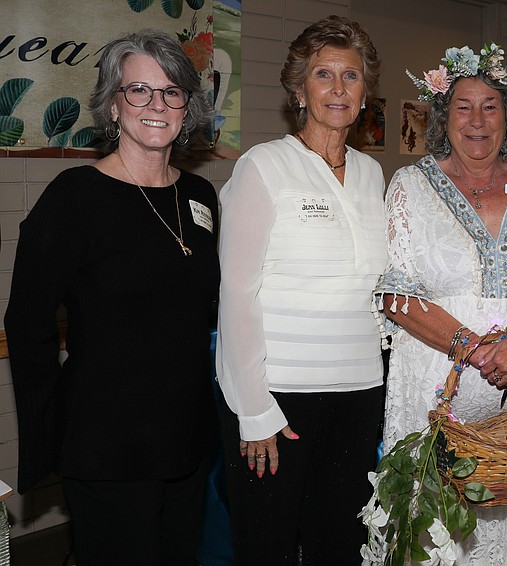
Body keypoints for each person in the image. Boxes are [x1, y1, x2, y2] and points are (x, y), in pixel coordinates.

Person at [4, 30, 218, 565]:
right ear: (113, 105)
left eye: (172, 92)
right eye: (139, 90)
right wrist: (48, 428)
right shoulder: (75, 197)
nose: (156, 105)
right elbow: (26, 320)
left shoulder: (198, 195)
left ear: (187, 108)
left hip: (186, 441)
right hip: (107, 445)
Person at [375, 43, 507, 563]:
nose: (477, 120)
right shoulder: (409, 187)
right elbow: (396, 295)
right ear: (443, 115)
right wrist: (476, 349)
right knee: (437, 531)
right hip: (436, 386)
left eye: (491, 105)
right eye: (463, 106)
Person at [215, 15, 386, 564]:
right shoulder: (263, 166)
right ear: (298, 89)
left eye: (352, 76)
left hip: (359, 392)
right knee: (268, 544)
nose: (338, 89)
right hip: (280, 398)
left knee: (341, 542)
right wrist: (254, 409)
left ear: (365, 92)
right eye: (324, 74)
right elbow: (237, 292)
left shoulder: (371, 174)